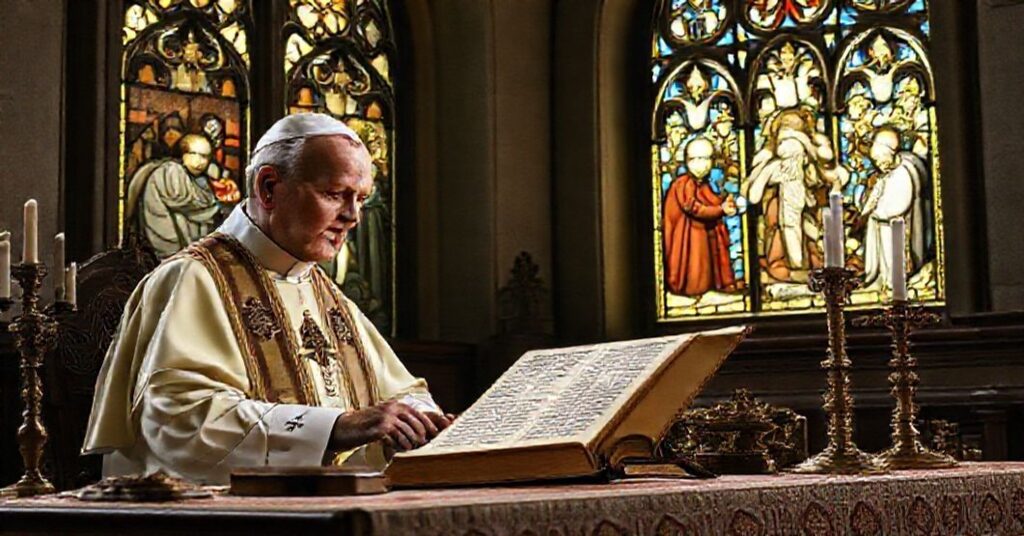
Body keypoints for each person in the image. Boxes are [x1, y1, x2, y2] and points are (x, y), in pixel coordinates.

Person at [85, 113, 451, 484]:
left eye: (360, 199)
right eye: (335, 194)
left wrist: (417, 420)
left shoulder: (325, 294)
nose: (352, 216)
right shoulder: (192, 278)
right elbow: (176, 423)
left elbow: (402, 392)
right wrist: (334, 428)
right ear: (269, 188)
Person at [125, 133, 222, 258]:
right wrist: (216, 207)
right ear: (183, 153)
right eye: (194, 154)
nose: (200, 161)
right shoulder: (171, 171)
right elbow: (184, 202)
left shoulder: (198, 178)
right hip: (166, 242)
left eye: (205, 156)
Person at [663, 137, 738, 296]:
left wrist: (725, 204)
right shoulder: (682, 184)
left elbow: (710, 201)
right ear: (686, 160)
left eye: (704, 159)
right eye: (694, 159)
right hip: (687, 235)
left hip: (702, 232)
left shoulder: (702, 184)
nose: (700, 164)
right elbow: (694, 208)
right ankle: (693, 289)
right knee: (696, 264)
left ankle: (712, 287)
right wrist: (721, 209)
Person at [859, 127, 928, 292]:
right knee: (884, 258)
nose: (879, 165)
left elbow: (900, 204)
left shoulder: (902, 173)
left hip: (895, 226)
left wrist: (879, 213)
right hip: (882, 225)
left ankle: (893, 285)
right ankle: (884, 281)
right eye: (876, 162)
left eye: (882, 160)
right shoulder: (887, 175)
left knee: (893, 259)